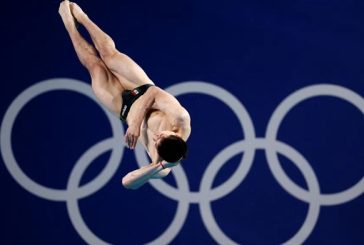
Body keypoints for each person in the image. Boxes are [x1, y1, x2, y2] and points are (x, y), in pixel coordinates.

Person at [58, 1, 191, 190]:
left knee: (94, 66)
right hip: (141, 87)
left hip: (122, 107)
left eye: (156, 142)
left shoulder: (161, 164)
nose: (156, 137)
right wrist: (136, 125)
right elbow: (153, 92)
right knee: (109, 53)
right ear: (175, 135)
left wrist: (159, 166)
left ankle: (69, 25)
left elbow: (127, 182)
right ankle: (82, 18)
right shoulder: (181, 118)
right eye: (162, 136)